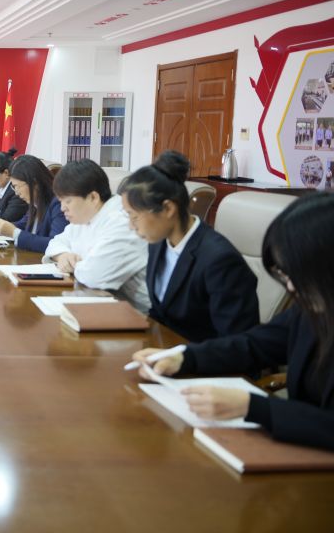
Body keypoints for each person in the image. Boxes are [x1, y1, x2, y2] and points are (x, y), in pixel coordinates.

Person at [130, 192, 334, 451]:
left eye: (300, 274)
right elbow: (254, 344)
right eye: (285, 275)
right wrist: (184, 357)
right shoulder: (313, 309)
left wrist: (253, 407)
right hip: (302, 451)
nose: (291, 287)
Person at [118, 151, 259, 340]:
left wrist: (180, 355)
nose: (130, 226)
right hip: (165, 349)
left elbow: (237, 344)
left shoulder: (220, 260)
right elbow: (161, 312)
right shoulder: (159, 243)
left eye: (134, 216)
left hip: (202, 356)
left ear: (168, 209)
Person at [43, 159, 150, 309]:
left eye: (67, 201)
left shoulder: (122, 220)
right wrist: (63, 255)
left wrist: (74, 265)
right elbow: (55, 242)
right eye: (61, 201)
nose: (62, 208)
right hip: (102, 301)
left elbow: (94, 276)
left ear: (93, 197)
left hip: (142, 314)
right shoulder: (85, 216)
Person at [0, 155, 68, 253]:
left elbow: (55, 244)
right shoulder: (35, 202)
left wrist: (15, 233)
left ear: (34, 182)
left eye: (17, 186)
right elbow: (23, 225)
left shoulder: (58, 204)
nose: (16, 192)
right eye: (13, 187)